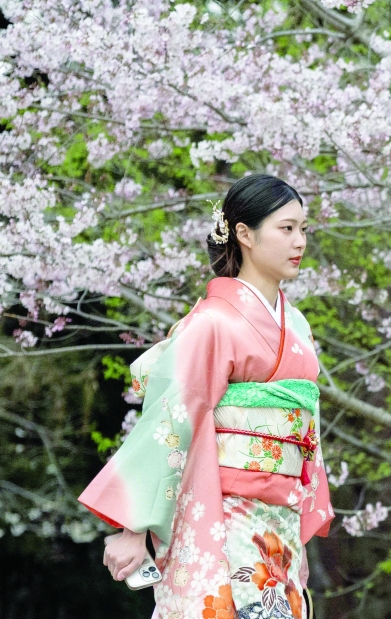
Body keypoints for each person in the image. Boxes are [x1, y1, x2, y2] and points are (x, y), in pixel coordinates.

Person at [79, 174, 334, 619]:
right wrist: (133, 526)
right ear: (245, 234)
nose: (299, 242)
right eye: (286, 228)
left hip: (280, 519)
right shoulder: (213, 323)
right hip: (222, 513)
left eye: (304, 229)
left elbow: (304, 423)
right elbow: (169, 419)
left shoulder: (297, 325)